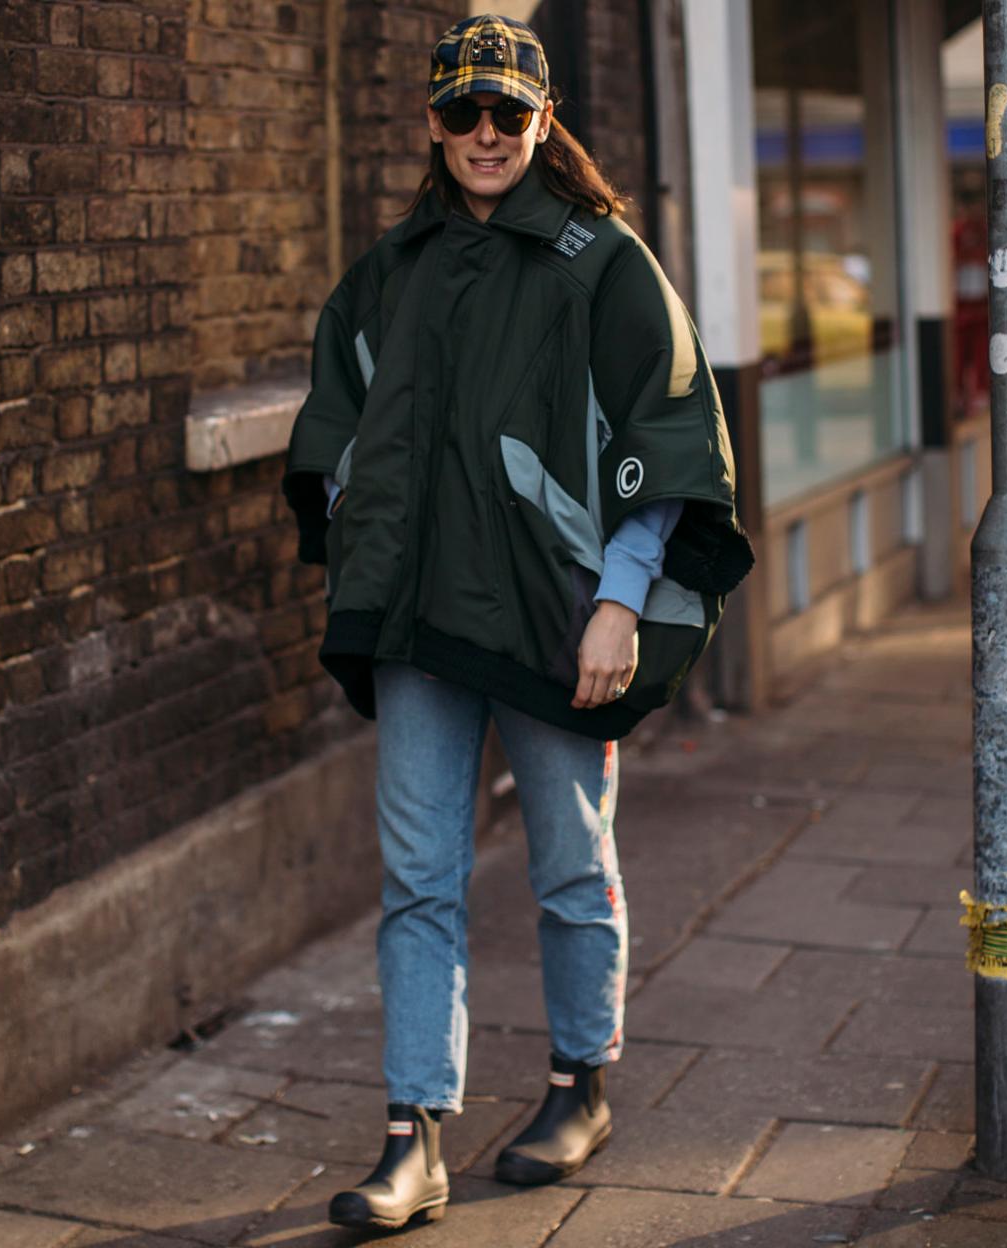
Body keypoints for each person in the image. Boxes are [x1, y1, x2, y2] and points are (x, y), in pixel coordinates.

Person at [282, 13, 753, 1231]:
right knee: (418, 880)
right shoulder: (392, 270)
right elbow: (339, 422)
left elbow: (668, 435)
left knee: (567, 869)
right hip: (423, 624)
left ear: (544, 124)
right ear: (432, 125)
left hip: (560, 626)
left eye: (508, 113)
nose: (484, 135)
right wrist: (358, 525)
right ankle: (412, 1139)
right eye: (461, 113)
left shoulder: (604, 263)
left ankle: (578, 1087)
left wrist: (618, 607)